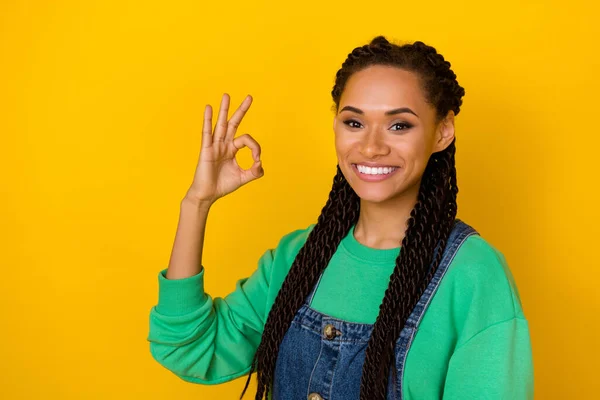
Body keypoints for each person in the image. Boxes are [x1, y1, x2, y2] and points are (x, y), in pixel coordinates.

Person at [147, 36, 534, 400]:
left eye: (399, 125)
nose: (370, 146)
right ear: (335, 124)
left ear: (442, 132)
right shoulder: (298, 256)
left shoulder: (474, 274)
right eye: (354, 122)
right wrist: (196, 203)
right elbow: (189, 349)